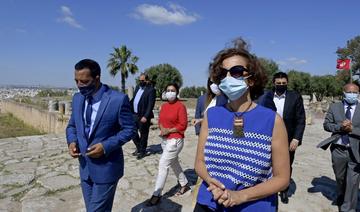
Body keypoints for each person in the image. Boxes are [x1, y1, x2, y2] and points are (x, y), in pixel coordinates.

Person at [194, 38, 290, 211]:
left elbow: (282, 178)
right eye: (223, 73)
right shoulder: (211, 115)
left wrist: (241, 196)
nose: (228, 77)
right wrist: (211, 181)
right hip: (209, 202)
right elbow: (199, 163)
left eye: (237, 71)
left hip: (253, 206)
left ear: (251, 79)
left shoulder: (272, 121)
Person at [66, 59, 135, 211]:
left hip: (107, 169)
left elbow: (129, 129)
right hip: (85, 169)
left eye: (84, 81)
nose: (79, 85)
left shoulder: (118, 99)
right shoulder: (77, 99)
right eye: (76, 81)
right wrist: (72, 142)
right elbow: (72, 125)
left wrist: (105, 146)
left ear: (97, 78)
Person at [147, 83, 190, 206]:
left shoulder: (180, 106)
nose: (170, 92)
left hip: (175, 140)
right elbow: (160, 120)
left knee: (163, 164)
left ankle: (157, 194)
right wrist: (162, 129)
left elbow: (183, 125)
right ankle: (185, 184)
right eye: (168, 90)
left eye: (173, 90)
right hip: (165, 140)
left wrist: (169, 131)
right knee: (174, 163)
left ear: (177, 92)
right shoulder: (164, 106)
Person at [319, 83, 360, 212]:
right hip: (338, 150)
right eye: (350, 92)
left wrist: (352, 129)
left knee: (353, 182)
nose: (352, 95)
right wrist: (340, 127)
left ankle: (348, 208)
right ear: (344, 92)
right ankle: (341, 195)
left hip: (357, 151)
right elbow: (327, 125)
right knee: (340, 178)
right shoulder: (335, 107)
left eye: (355, 92)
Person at [268, 72, 306, 204]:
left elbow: (301, 119)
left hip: (288, 138)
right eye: (278, 83)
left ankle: (284, 189)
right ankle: (268, 188)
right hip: (268, 136)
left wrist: (296, 138)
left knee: (286, 164)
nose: (281, 85)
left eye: (283, 83)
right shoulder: (266, 96)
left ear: (287, 83)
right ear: (274, 83)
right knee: (268, 163)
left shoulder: (295, 97)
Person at [130, 73, 156, 160]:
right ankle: (139, 147)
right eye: (139, 80)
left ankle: (142, 151)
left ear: (147, 81)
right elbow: (134, 99)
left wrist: (146, 116)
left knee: (143, 134)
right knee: (132, 132)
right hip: (134, 114)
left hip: (143, 116)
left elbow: (150, 105)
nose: (141, 82)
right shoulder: (137, 88)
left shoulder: (151, 90)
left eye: (142, 81)